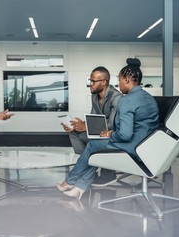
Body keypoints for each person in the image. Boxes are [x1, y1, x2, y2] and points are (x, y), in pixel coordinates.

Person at [56, 58, 159, 199]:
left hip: (133, 145)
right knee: (95, 146)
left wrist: (111, 134)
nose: (118, 84)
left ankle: (70, 181)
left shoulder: (125, 100)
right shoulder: (148, 97)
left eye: (120, 80)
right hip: (146, 144)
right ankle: (79, 187)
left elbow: (125, 135)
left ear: (127, 80)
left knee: (94, 145)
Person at [62, 66, 122, 186]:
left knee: (92, 139)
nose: (91, 84)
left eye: (93, 81)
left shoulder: (116, 97)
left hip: (113, 134)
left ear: (104, 82)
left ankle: (108, 173)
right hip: (99, 132)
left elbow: (112, 124)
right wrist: (78, 126)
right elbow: (94, 118)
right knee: (74, 133)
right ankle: (86, 169)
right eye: (90, 80)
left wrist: (87, 126)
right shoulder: (95, 95)